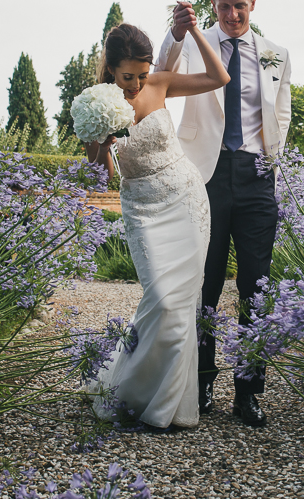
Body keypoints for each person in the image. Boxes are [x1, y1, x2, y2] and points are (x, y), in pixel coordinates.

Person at [156, 0, 292, 427]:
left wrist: (272, 155)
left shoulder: (276, 54)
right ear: (213, 4)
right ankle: (203, 380)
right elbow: (162, 74)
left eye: (240, 5)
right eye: (224, 6)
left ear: (253, 4)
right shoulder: (196, 42)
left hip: (256, 177)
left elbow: (282, 109)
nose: (232, 14)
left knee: (257, 288)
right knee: (205, 286)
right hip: (206, 176)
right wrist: (176, 35)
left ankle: (249, 391)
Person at [85, 22, 230, 430]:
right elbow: (100, 174)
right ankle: (128, 390)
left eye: (142, 75)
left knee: (183, 302)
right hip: (143, 209)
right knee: (162, 299)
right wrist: (103, 142)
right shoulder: (94, 104)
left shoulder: (161, 85)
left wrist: (198, 31)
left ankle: (170, 406)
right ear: (111, 69)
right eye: (127, 76)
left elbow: (219, 77)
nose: (135, 85)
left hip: (186, 198)